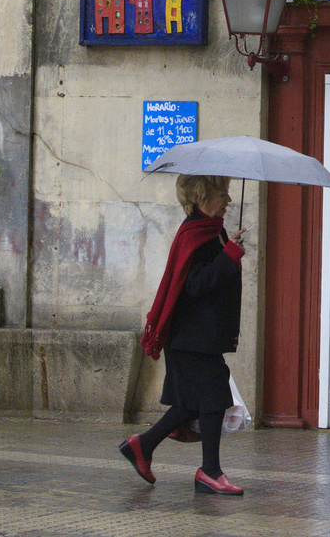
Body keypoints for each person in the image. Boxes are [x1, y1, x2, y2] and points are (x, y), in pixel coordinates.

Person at [121, 175, 246, 496]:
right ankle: (210, 472)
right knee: (215, 399)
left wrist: (228, 249)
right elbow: (193, 285)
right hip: (191, 338)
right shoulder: (194, 234)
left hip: (201, 337)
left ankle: (142, 445)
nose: (228, 199)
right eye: (222, 193)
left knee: (192, 405)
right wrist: (229, 256)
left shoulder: (212, 231)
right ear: (201, 197)